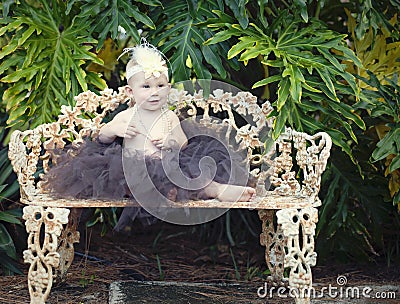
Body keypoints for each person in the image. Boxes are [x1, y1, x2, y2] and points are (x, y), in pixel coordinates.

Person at [42, 40, 256, 227]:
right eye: (146, 86)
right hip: (131, 168)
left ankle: (217, 189)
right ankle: (162, 191)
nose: (155, 92)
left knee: (192, 174)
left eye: (160, 85)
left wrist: (171, 140)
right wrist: (114, 129)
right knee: (126, 178)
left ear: (169, 88)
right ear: (130, 92)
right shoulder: (126, 116)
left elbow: (183, 144)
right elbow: (102, 138)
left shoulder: (169, 117)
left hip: (167, 165)